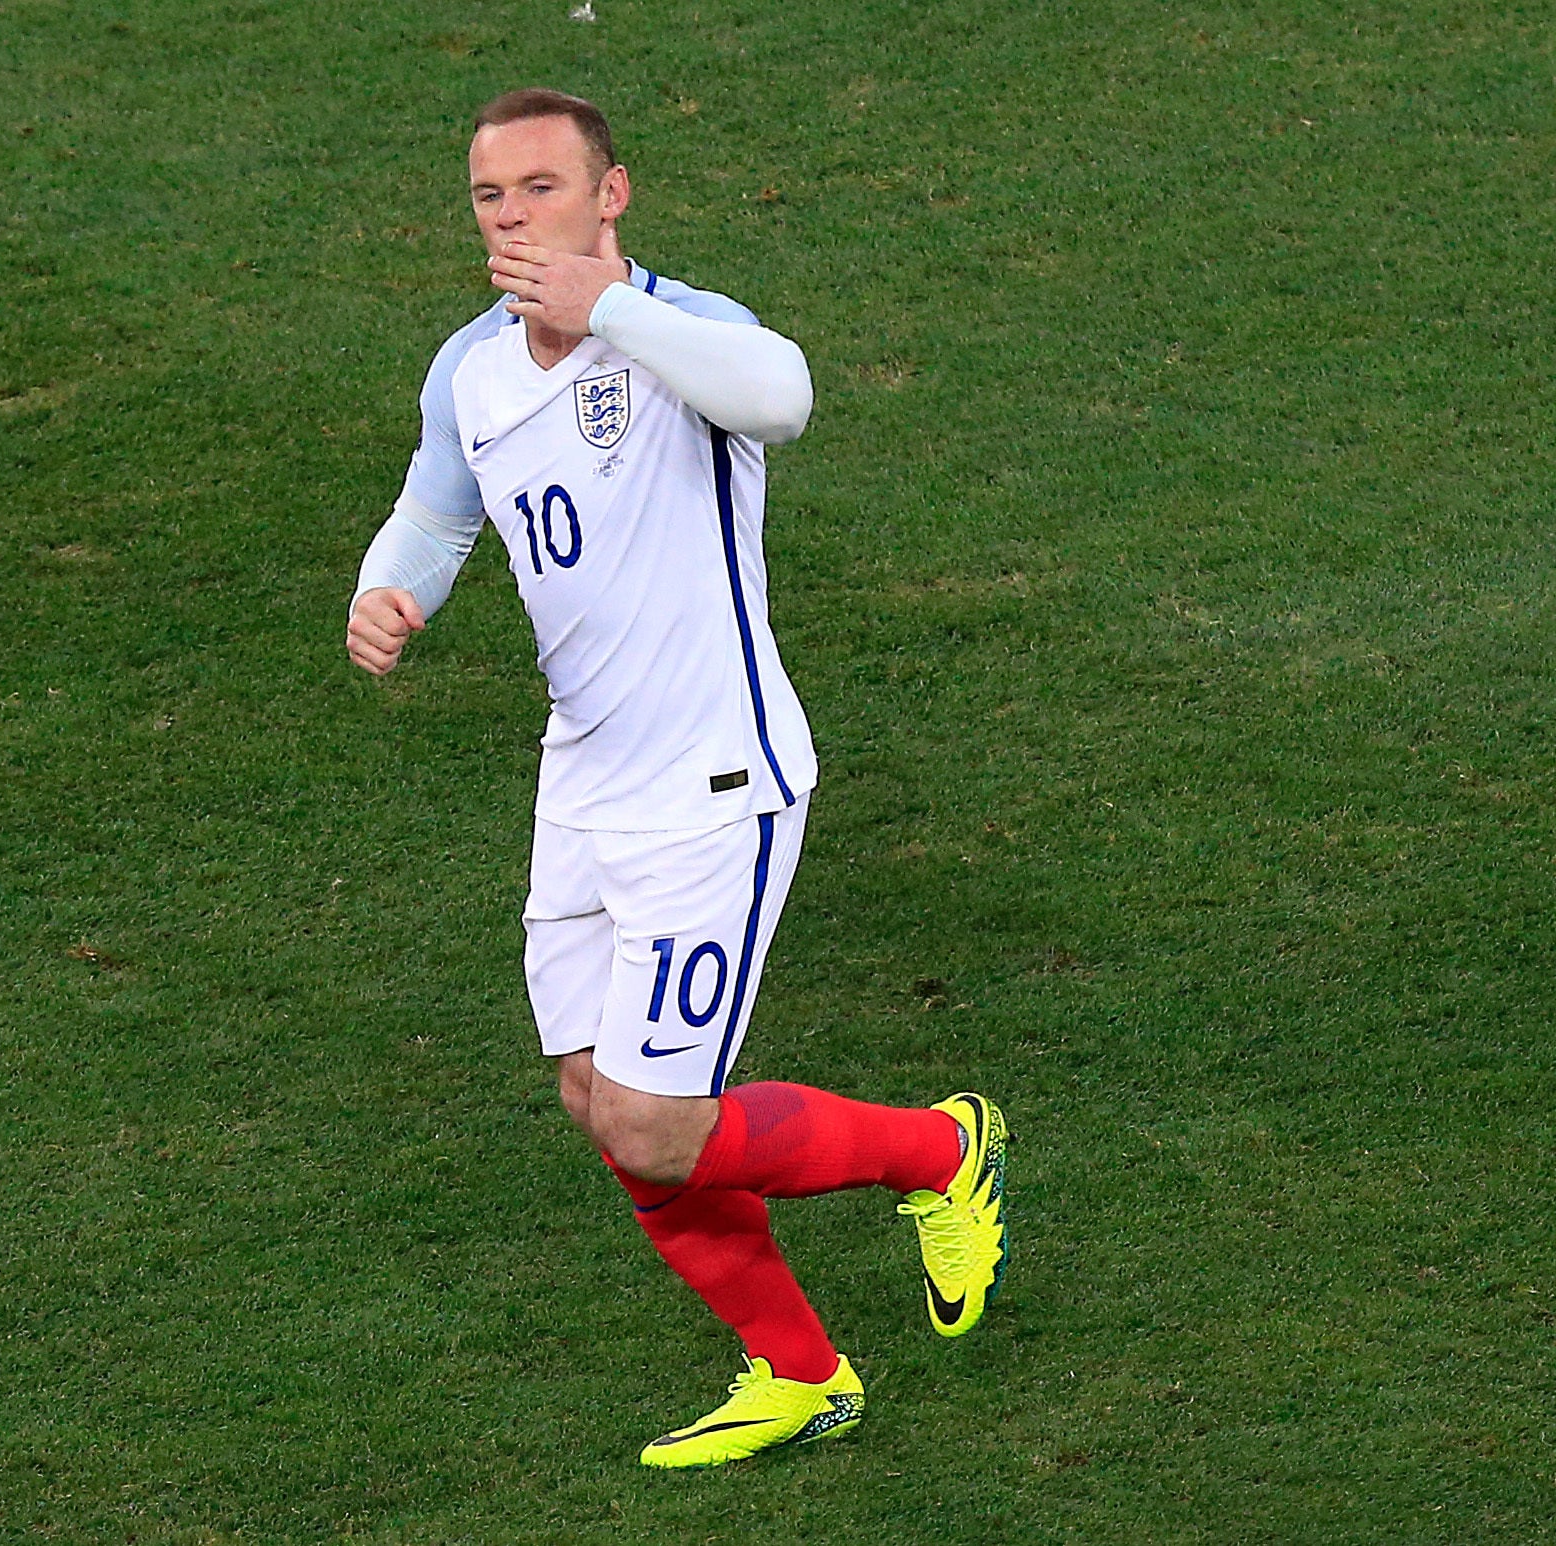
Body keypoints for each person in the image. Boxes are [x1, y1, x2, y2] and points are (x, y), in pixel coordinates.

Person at [345, 88, 1010, 1469]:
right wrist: (387, 592)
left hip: (719, 781)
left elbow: (787, 395)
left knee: (655, 1124)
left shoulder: (681, 327)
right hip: (581, 783)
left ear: (611, 194)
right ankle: (801, 1368)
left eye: (542, 187)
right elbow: (438, 500)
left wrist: (611, 306)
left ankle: (941, 1154)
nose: (514, 216)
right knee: (600, 1100)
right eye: (491, 197)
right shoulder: (469, 366)